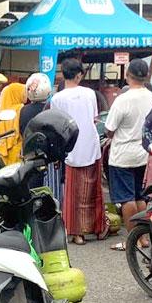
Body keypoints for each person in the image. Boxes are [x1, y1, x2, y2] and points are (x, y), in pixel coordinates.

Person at [51, 58, 107, 245]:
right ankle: (98, 229)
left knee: (73, 194)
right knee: (93, 191)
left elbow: (56, 127)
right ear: (79, 75)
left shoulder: (57, 98)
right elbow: (94, 119)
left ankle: (77, 233)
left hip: (71, 149)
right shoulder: (90, 93)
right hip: (91, 145)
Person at [105, 59, 152, 251]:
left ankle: (131, 240)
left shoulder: (123, 99)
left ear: (128, 75)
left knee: (127, 199)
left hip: (123, 155)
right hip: (143, 153)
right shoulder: (150, 97)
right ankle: (144, 238)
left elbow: (109, 129)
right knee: (140, 196)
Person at [0, 83, 26, 165]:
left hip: (4, 149)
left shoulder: (2, 110)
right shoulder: (20, 108)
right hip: (17, 148)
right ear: (16, 94)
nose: (25, 95)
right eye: (23, 93)